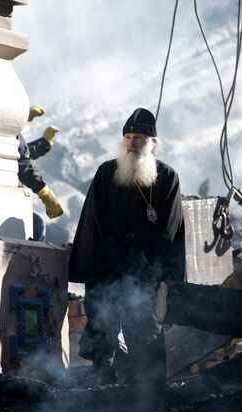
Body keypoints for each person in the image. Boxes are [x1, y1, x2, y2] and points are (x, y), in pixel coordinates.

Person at [68, 107, 185, 386]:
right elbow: (97, 223)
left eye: (139, 138)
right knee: (102, 329)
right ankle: (104, 383)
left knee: (144, 334)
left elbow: (167, 229)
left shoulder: (167, 178)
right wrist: (120, 258)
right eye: (128, 137)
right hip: (107, 269)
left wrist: (146, 268)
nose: (132, 143)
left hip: (145, 275)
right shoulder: (107, 172)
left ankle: (150, 392)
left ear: (153, 143)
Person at [18, 105, 64, 240]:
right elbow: (22, 161)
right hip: (0, 193)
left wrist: (44, 144)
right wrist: (45, 193)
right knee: (37, 223)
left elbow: (22, 152)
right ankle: (31, 261)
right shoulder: (5, 132)